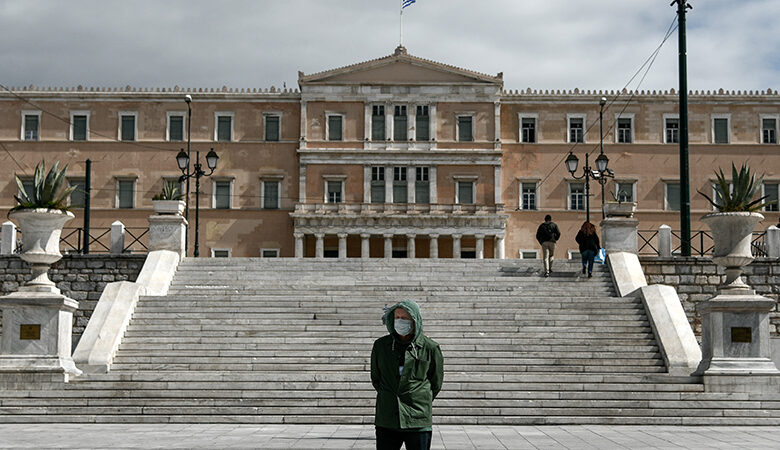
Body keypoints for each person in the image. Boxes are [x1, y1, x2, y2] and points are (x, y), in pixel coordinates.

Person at [371, 300, 443, 450]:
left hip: (417, 418)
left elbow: (435, 383)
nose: (400, 322)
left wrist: (418, 396)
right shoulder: (381, 346)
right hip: (387, 418)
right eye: (397, 317)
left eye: (405, 318)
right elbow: (376, 379)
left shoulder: (430, 348)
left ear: (415, 320)